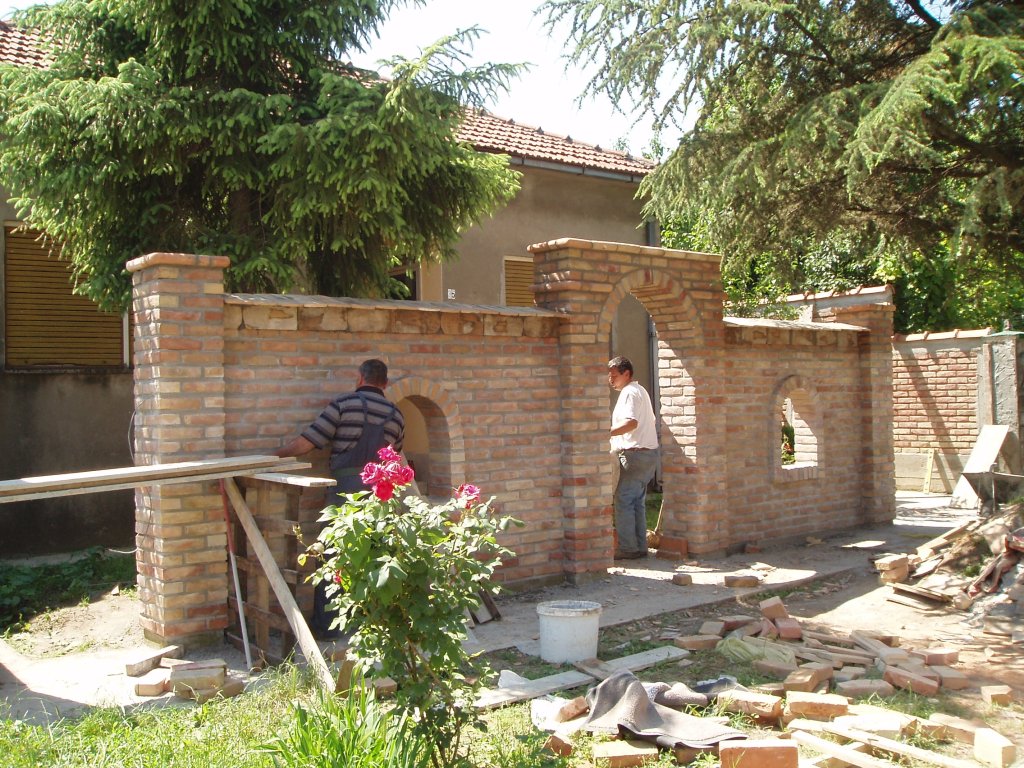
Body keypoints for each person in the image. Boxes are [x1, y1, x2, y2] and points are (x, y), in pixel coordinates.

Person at [275, 358, 405, 638]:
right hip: (378, 495)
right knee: (374, 555)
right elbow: (394, 459)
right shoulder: (396, 415)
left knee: (331, 555)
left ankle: (328, 627)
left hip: (344, 491)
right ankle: (370, 626)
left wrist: (275, 456)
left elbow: (308, 442)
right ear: (385, 383)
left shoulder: (344, 405)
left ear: (360, 378)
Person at [607, 355, 660, 560]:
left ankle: (628, 548)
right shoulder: (641, 391)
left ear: (626, 374)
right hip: (648, 454)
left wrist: (605, 432)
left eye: (614, 376)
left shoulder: (629, 392)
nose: (610, 380)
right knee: (637, 501)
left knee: (624, 500)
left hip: (634, 455)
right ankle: (639, 547)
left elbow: (631, 423)